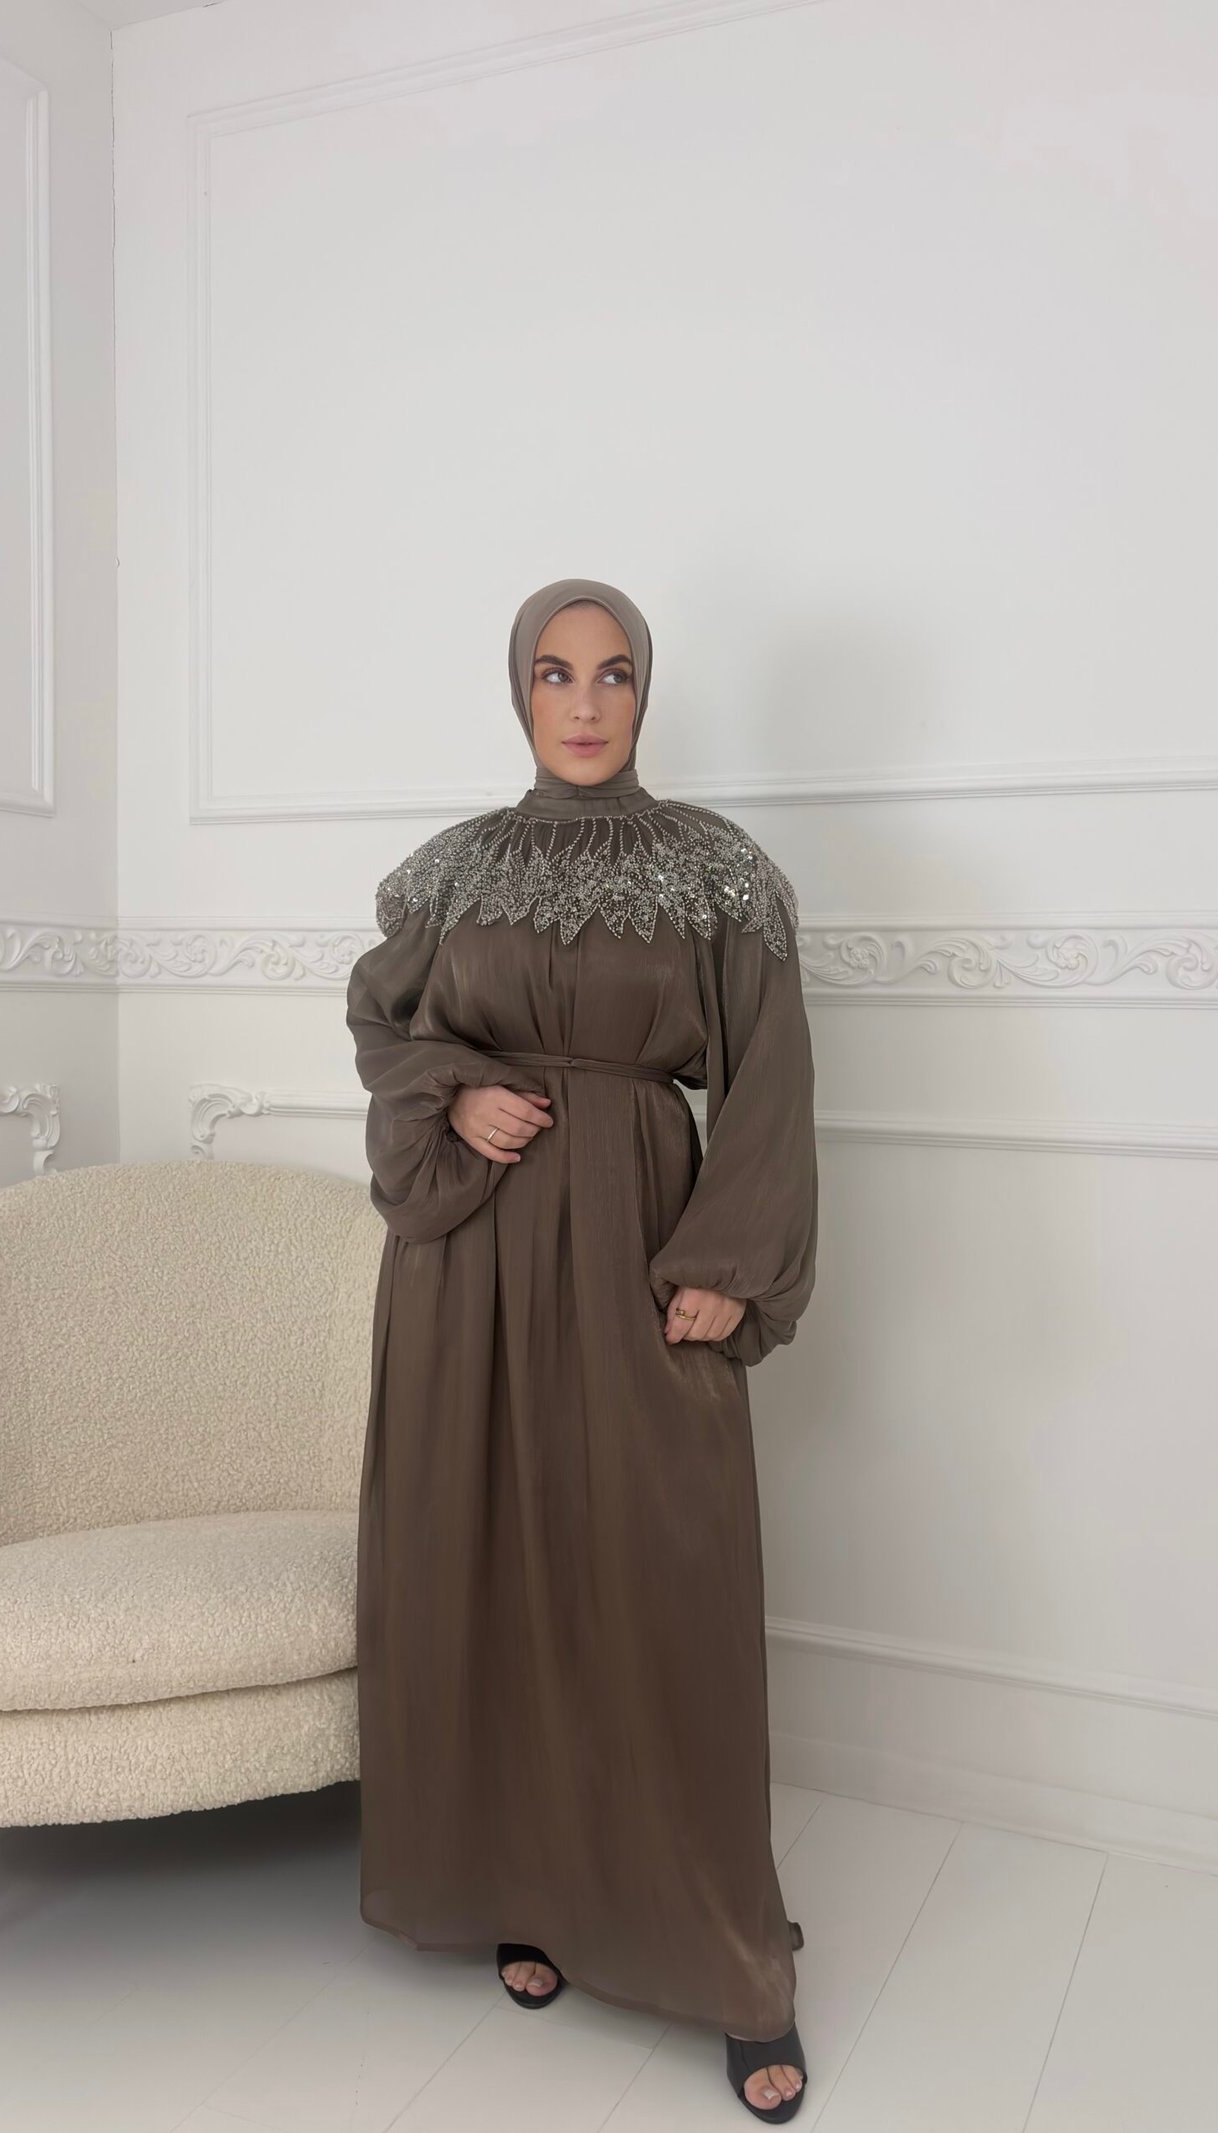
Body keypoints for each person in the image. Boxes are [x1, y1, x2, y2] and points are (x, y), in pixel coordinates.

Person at [344, 577, 820, 2120]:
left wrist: (728, 1265)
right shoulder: (449, 871)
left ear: (646, 690)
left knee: (662, 1576)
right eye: (556, 674)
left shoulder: (718, 872)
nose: (587, 702)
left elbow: (770, 1075)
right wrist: (456, 1085)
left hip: (633, 1251)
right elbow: (378, 1020)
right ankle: (528, 1887)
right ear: (519, 692)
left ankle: (736, 1964)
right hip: (472, 1263)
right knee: (493, 1561)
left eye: (614, 674)